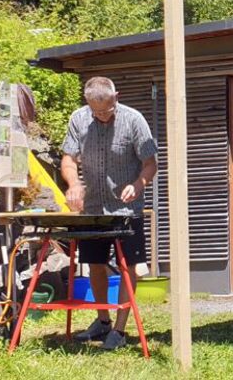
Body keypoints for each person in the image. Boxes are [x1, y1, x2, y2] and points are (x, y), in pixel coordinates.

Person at [62, 76, 158, 350]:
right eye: (97, 111)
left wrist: (139, 184)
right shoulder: (78, 120)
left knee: (128, 268)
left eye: (108, 110)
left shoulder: (134, 119)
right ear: (88, 103)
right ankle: (102, 321)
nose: (103, 115)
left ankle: (120, 329)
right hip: (92, 208)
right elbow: (68, 159)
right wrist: (74, 184)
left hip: (126, 209)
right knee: (94, 263)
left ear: (117, 96)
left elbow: (150, 163)